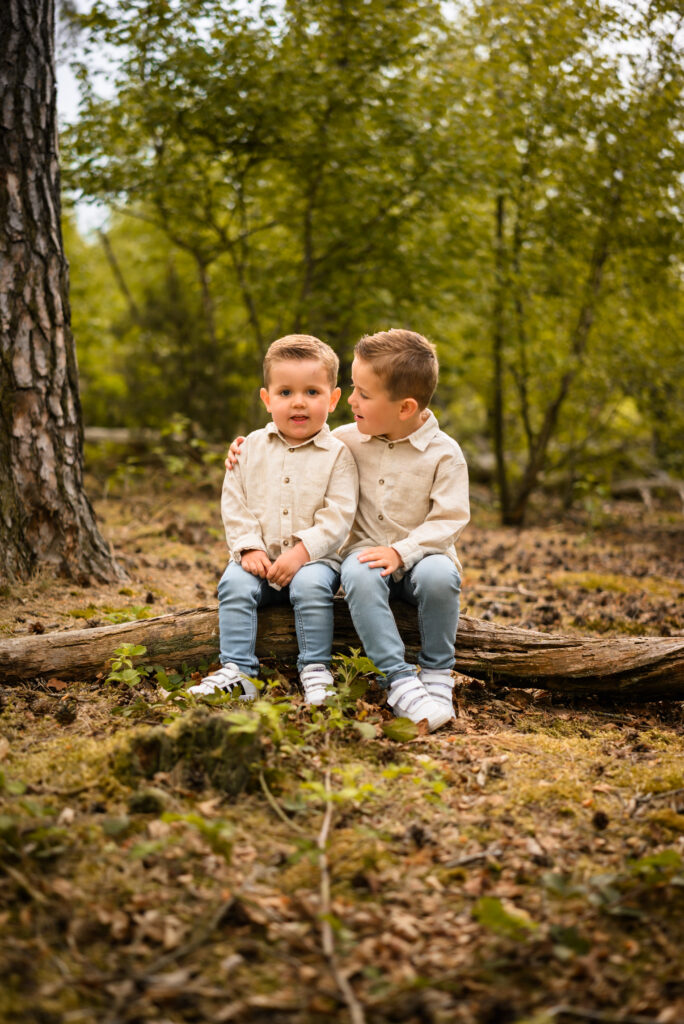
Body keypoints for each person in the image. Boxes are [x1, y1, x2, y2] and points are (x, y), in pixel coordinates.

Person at [227, 329, 469, 732]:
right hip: (364, 558)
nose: (351, 400)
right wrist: (244, 450)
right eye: (352, 389)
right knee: (359, 569)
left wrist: (402, 551)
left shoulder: (445, 453)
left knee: (441, 576)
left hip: (425, 556)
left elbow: (450, 520)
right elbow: (292, 445)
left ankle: (438, 674)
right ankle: (398, 678)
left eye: (363, 394)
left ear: (405, 407)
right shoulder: (344, 440)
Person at [190, 334, 358, 706]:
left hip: (315, 560)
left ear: (332, 399)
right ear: (267, 399)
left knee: (311, 588)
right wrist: (248, 547)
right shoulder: (249, 449)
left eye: (312, 392)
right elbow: (234, 502)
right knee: (234, 585)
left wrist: (301, 552)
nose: (298, 402)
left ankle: (315, 668)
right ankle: (238, 671)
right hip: (259, 558)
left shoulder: (339, 455)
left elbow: (339, 514)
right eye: (285, 393)